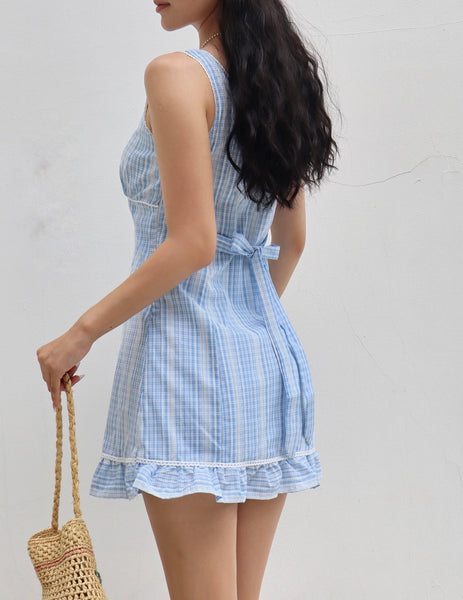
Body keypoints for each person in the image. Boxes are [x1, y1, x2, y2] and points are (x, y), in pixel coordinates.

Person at [36, 1, 338, 598]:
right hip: (267, 365)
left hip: (189, 366)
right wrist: (239, 323)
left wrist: (81, 333)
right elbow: (293, 239)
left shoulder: (178, 75)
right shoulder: (280, 81)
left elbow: (193, 243)